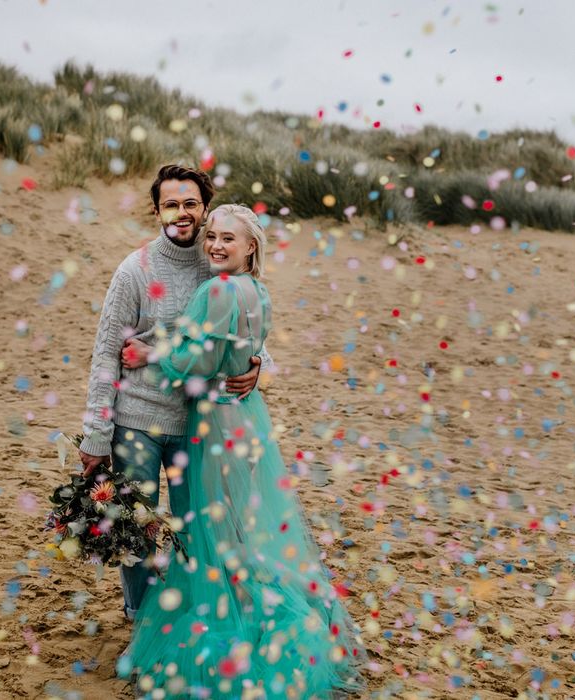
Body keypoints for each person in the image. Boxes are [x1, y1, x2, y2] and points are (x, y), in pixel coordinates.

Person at [118, 205, 366, 698]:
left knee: (216, 533)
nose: (214, 245)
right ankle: (267, 605)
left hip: (215, 420)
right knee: (240, 527)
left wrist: (151, 354)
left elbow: (202, 357)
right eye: (211, 237)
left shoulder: (219, 289)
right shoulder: (257, 291)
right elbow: (246, 348)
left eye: (227, 239)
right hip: (247, 416)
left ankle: (243, 623)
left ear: (250, 246)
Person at [78, 165, 269, 622]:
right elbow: (106, 353)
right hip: (137, 421)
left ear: (204, 209)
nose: (182, 214)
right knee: (136, 527)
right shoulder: (135, 270)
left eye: (190, 205)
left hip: (197, 423)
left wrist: (261, 367)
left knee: (195, 528)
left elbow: (248, 330)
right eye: (171, 205)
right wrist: (96, 434)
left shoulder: (220, 257)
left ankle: (188, 617)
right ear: (156, 210)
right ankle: (139, 616)